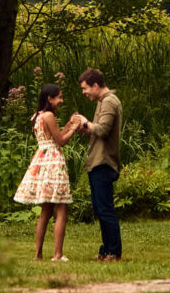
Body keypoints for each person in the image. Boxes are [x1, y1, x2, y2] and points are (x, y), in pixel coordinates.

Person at [14, 83, 81, 261]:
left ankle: (38, 254)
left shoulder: (37, 116)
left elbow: (53, 134)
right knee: (61, 210)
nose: (61, 100)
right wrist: (74, 128)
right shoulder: (49, 115)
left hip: (42, 159)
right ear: (49, 99)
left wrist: (68, 123)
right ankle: (57, 255)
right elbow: (60, 140)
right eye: (58, 97)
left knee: (45, 211)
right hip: (53, 162)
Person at [71, 67, 123, 261]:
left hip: (104, 162)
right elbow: (97, 131)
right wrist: (83, 129)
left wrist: (85, 123)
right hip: (97, 162)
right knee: (100, 208)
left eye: (85, 88)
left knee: (105, 208)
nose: (84, 92)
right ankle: (106, 250)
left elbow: (101, 130)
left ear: (95, 85)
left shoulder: (109, 101)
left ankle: (114, 252)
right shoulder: (103, 101)